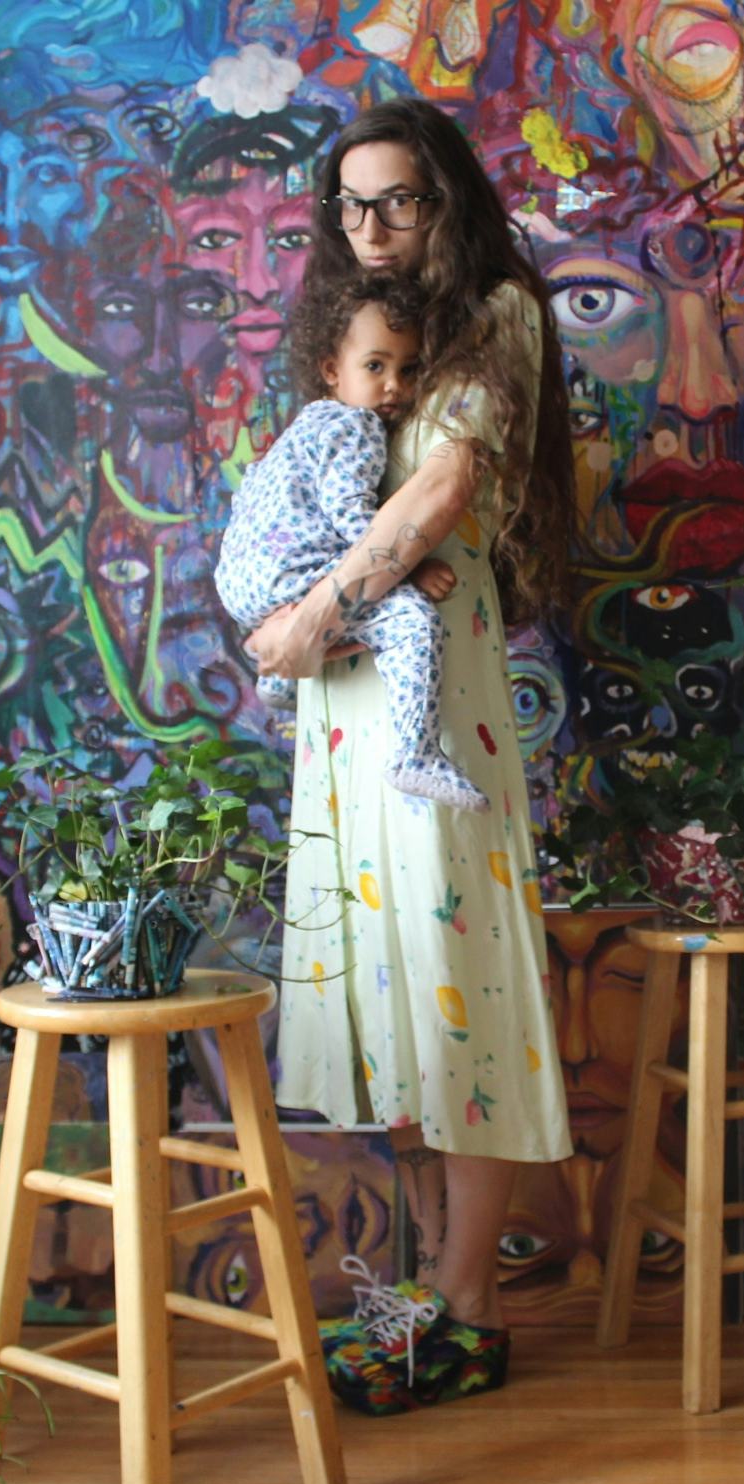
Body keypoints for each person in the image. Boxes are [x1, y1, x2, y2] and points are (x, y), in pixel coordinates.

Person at [244, 96, 578, 1415]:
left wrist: (313, 612)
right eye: (353, 205)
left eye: (401, 201)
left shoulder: (495, 312)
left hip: (435, 667)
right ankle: (436, 1285)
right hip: (345, 692)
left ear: (448, 202)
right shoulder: (362, 325)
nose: (374, 227)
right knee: (386, 980)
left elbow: (438, 497)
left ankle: (473, 1305)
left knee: (456, 970)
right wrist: (299, 615)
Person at [215, 273, 485, 811]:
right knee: (410, 620)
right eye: (375, 366)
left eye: (409, 370)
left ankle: (278, 683)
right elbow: (350, 515)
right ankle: (417, 752)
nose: (394, 386)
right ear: (333, 371)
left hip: (245, 584)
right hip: (294, 574)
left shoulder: (305, 426)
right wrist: (411, 569)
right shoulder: (354, 427)